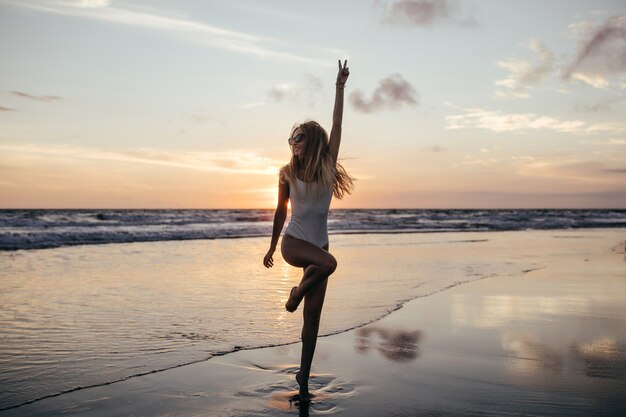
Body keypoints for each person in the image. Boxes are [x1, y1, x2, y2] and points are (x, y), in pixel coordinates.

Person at [263, 60, 354, 403]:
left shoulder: (327, 164)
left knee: (312, 320)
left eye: (297, 137)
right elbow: (279, 211)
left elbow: (337, 122)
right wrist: (272, 248)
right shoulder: (287, 174)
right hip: (294, 242)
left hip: (319, 243)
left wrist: (339, 87)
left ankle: (303, 378)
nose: (292, 142)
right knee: (329, 264)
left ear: (310, 139)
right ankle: (296, 293)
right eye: (290, 138)